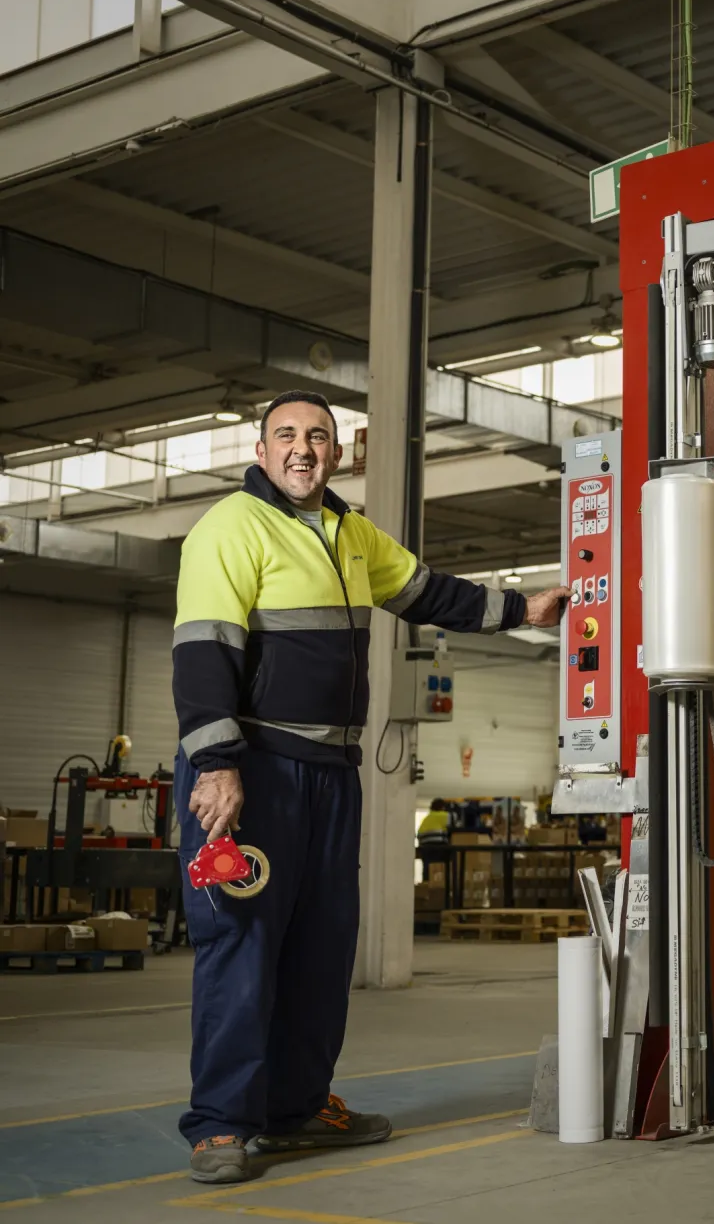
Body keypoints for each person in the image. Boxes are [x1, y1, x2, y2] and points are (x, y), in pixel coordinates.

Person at [172, 390, 566, 1183]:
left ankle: (298, 1107)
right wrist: (217, 764)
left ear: (342, 451)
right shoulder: (230, 528)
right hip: (255, 769)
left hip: (330, 774)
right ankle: (220, 1125)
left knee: (321, 948)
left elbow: (430, 593)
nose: (302, 450)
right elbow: (204, 652)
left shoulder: (352, 535)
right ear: (260, 448)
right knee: (242, 946)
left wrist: (525, 606)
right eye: (286, 436)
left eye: (317, 437)